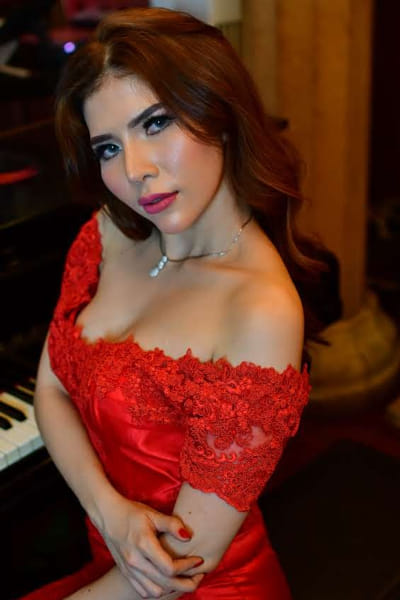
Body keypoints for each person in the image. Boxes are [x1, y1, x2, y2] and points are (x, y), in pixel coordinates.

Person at [20, 7, 317, 599]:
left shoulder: (260, 310)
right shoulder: (108, 233)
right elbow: (49, 390)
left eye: (156, 124)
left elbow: (175, 572)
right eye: (108, 147)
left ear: (220, 112)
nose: (134, 171)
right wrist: (109, 511)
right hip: (109, 564)